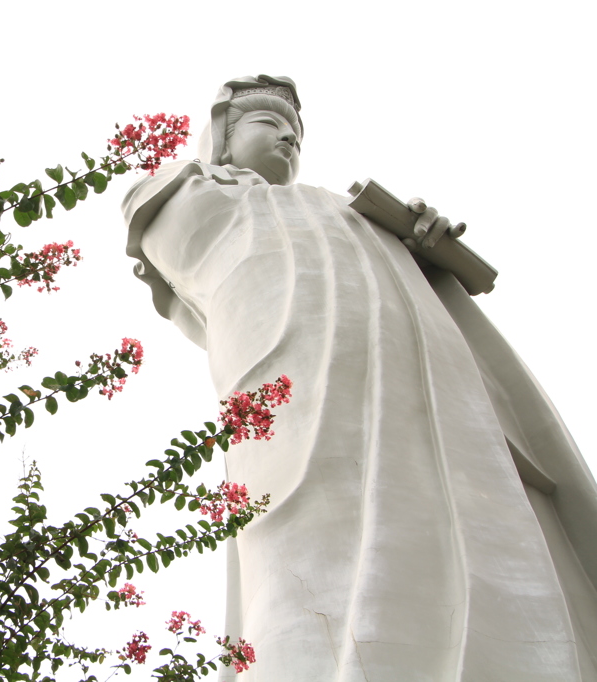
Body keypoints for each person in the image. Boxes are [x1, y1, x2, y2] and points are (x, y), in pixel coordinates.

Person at [123, 75, 597, 681]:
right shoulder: (193, 195)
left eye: (296, 133)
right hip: (291, 369)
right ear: (220, 138)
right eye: (269, 125)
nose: (289, 140)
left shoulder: (336, 204)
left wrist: (418, 243)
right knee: (306, 537)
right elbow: (169, 232)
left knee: (459, 502)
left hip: (416, 370)